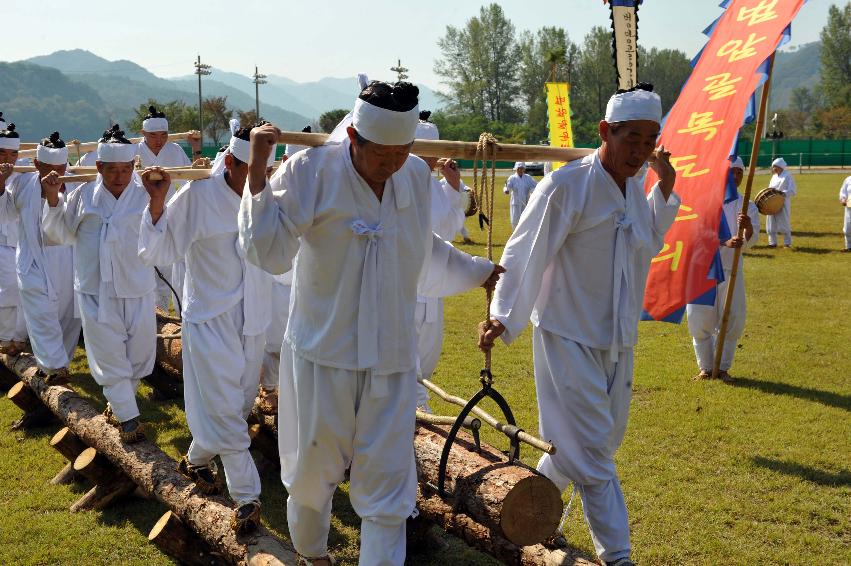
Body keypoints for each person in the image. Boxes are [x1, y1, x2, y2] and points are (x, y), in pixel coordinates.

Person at [239, 80, 503, 565]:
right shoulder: (310, 171)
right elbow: (268, 251)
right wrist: (257, 171)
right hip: (323, 356)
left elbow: (421, 253)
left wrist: (481, 270)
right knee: (313, 479)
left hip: (390, 361)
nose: (392, 163)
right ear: (354, 140)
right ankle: (314, 555)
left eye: (403, 151)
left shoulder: (415, 179)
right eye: (381, 153)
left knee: (387, 492)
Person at [478, 85, 679, 566]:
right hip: (567, 335)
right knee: (594, 452)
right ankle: (618, 556)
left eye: (651, 139)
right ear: (605, 132)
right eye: (633, 138)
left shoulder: (634, 185)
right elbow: (526, 251)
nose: (642, 150)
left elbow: (645, 242)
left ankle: (516, 516)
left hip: (618, 338)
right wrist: (502, 317)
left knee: (590, 444)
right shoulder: (565, 186)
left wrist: (664, 188)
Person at [138, 124, 274, 533]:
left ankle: (196, 460)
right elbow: (158, 250)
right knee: (227, 413)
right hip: (210, 320)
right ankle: (247, 497)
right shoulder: (198, 196)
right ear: (230, 161)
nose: (260, 175)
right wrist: (158, 204)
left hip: (255, 320)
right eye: (252, 167)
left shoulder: (269, 195)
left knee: (235, 407)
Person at [43, 125, 155, 442]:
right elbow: (60, 235)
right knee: (108, 355)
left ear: (134, 167)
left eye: (125, 169)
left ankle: (118, 405)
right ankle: (129, 421)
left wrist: (160, 196)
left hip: (137, 285)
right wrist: (53, 200)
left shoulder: (147, 194)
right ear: (98, 167)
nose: (119, 177)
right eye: (112, 170)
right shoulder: (82, 197)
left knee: (139, 355)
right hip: (95, 289)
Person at [0, 132, 81, 384]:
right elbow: (6, 213)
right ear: (36, 164)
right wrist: (1, 183)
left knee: (67, 317)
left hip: (69, 257)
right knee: (41, 313)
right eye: (49, 168)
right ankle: (53, 365)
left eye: (61, 167)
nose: (55, 173)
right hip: (33, 258)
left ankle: (61, 365)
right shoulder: (22, 184)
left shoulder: (79, 185)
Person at [412, 111, 468, 411]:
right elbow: (443, 227)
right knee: (407, 360)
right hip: (407, 285)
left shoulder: (431, 183)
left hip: (431, 284)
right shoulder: (406, 179)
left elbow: (448, 228)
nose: (432, 160)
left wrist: (453, 186)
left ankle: (420, 406)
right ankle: (418, 413)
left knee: (427, 356)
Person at [686, 156, 758, 383]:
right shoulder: (703, 200)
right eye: (730, 172)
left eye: (739, 173)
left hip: (731, 269)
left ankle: (723, 367)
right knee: (700, 317)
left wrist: (746, 230)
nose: (735, 177)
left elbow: (752, 239)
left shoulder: (747, 205)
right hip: (702, 270)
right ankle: (706, 368)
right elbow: (695, 233)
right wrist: (724, 241)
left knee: (732, 317)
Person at [137, 105, 201, 312]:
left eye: (163, 135)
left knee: (165, 268)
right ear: (143, 133)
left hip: (168, 215)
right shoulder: (132, 151)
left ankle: (162, 313)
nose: (159, 140)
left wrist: (196, 149)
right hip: (139, 216)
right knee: (142, 268)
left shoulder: (174, 150)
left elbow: (187, 181)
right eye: (153, 135)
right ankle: (145, 314)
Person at [0, 120, 28, 355]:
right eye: (2, 153)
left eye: (13, 153)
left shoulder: (23, 176)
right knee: (8, 290)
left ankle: (17, 338)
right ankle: (5, 337)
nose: (8, 158)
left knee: (21, 292)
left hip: (19, 242)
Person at [765, 157, 796, 248]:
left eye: (775, 166)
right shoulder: (774, 177)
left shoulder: (788, 176)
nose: (774, 168)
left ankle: (787, 243)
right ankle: (772, 243)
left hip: (783, 202)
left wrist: (782, 194)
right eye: (773, 166)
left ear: (781, 166)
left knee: (784, 221)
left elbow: (793, 190)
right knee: (770, 222)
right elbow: (770, 188)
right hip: (771, 203)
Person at [503, 161, 537, 229]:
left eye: (522, 168)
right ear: (516, 168)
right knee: (515, 220)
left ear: (524, 169)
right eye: (519, 168)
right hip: (515, 202)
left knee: (525, 219)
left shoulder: (528, 177)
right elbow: (507, 187)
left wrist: (532, 191)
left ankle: (524, 234)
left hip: (526, 202)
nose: (520, 170)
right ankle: (515, 234)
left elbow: (535, 186)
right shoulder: (512, 178)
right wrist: (506, 190)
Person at [839, 174, 851, 252]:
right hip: (849, 208)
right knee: (847, 229)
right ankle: (849, 247)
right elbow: (843, 192)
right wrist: (843, 199)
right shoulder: (848, 179)